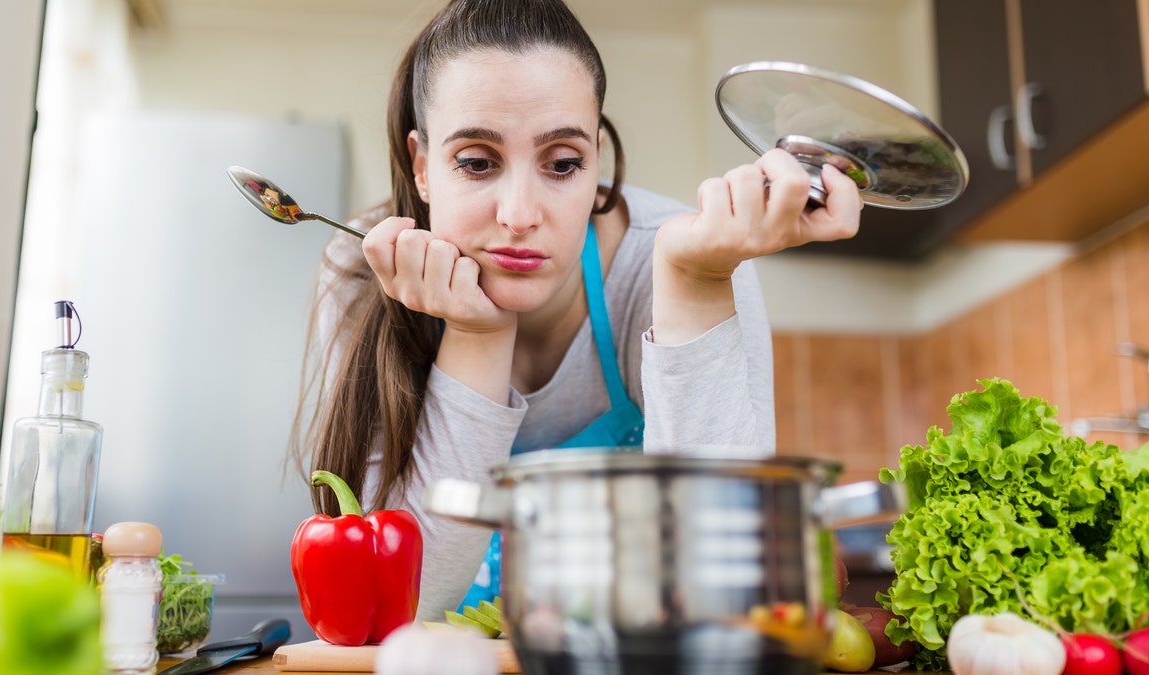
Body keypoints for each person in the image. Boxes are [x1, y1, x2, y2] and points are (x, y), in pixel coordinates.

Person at [290, 0, 861, 622]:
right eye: (477, 163)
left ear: (595, 161)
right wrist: (477, 333)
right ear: (423, 167)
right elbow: (403, 608)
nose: (519, 214)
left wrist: (696, 284)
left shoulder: (679, 257)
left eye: (561, 164)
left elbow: (734, 589)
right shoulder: (358, 272)